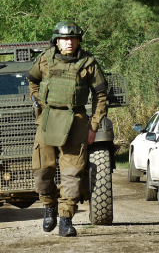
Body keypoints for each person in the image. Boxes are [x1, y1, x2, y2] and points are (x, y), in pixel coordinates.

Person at [27, 20, 108, 237]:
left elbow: (101, 95)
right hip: (48, 119)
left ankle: (65, 219)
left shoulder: (88, 62)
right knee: (42, 172)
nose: (69, 42)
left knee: (72, 174)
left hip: (76, 120)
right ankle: (49, 206)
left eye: (73, 38)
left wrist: (93, 126)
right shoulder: (44, 58)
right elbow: (32, 81)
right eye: (65, 39)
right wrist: (39, 100)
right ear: (56, 41)